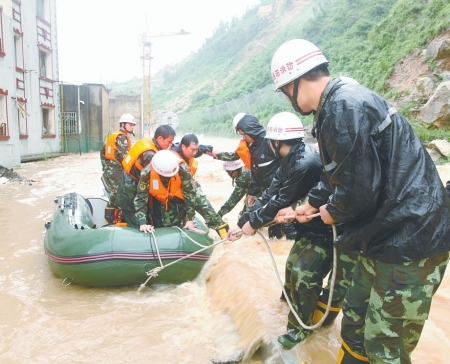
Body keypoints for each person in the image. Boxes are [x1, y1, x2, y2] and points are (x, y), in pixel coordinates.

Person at [271, 39, 450, 363]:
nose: (287, 98)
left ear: (294, 83)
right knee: (354, 327)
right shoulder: (338, 105)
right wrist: (310, 206)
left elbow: (357, 191)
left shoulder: (343, 107)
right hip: (382, 236)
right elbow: (340, 171)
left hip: (410, 240)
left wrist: (331, 213)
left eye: (284, 91)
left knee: (385, 349)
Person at [227, 112, 357, 348]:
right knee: (291, 267)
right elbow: (271, 193)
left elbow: (280, 201)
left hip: (330, 232)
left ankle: (299, 328)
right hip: (310, 228)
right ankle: (292, 306)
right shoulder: (289, 161)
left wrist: (254, 224)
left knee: (303, 274)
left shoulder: (305, 164)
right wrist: (243, 222)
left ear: (275, 142)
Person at [214, 114, 291, 239]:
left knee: (287, 228)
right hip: (269, 194)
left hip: (282, 193)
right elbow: (256, 171)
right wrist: (251, 192)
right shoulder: (253, 147)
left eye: (244, 134)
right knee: (274, 233)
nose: (243, 138)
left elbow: (290, 167)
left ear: (251, 130)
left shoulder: (270, 143)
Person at [115, 125, 176, 226]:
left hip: (127, 180)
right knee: (135, 221)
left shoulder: (149, 142)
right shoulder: (150, 155)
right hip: (130, 189)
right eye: (169, 142)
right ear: (160, 138)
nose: (170, 145)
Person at [171, 134, 229, 238]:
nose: (194, 153)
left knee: (212, 215)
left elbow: (201, 148)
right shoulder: (171, 156)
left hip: (190, 186)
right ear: (183, 147)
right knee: (172, 219)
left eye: (196, 150)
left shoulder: (192, 151)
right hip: (173, 191)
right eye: (192, 150)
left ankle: (227, 238)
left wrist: (211, 149)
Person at [134, 149, 196, 233]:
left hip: (177, 201)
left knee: (177, 223)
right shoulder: (147, 173)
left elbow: (190, 194)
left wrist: (189, 219)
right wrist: (142, 223)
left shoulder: (182, 169)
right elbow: (141, 198)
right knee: (158, 222)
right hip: (158, 201)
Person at [100, 113, 135, 222]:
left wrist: (105, 168)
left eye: (133, 125)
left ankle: (114, 218)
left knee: (117, 193)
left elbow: (102, 152)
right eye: (130, 124)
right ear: (123, 124)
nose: (132, 127)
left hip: (111, 169)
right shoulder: (122, 137)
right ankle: (111, 218)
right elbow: (125, 158)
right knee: (118, 193)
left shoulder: (114, 136)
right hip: (116, 170)